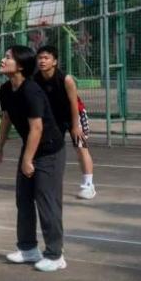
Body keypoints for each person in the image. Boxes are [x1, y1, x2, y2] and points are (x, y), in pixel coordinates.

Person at [0, 44, 67, 273]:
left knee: (46, 201)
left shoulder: (31, 90)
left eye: (8, 57)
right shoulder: (6, 89)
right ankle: (28, 249)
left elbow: (37, 128)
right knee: (23, 199)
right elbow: (6, 118)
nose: (3, 60)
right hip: (31, 148)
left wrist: (28, 160)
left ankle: (55, 255)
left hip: (50, 150)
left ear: (21, 65)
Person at [35, 45, 97, 200]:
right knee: (50, 149)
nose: (42, 61)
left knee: (81, 147)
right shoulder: (36, 79)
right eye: (40, 58)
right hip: (55, 118)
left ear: (54, 61)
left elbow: (73, 104)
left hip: (75, 114)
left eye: (46, 58)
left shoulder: (66, 79)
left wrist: (75, 126)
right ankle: (48, 182)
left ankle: (88, 185)